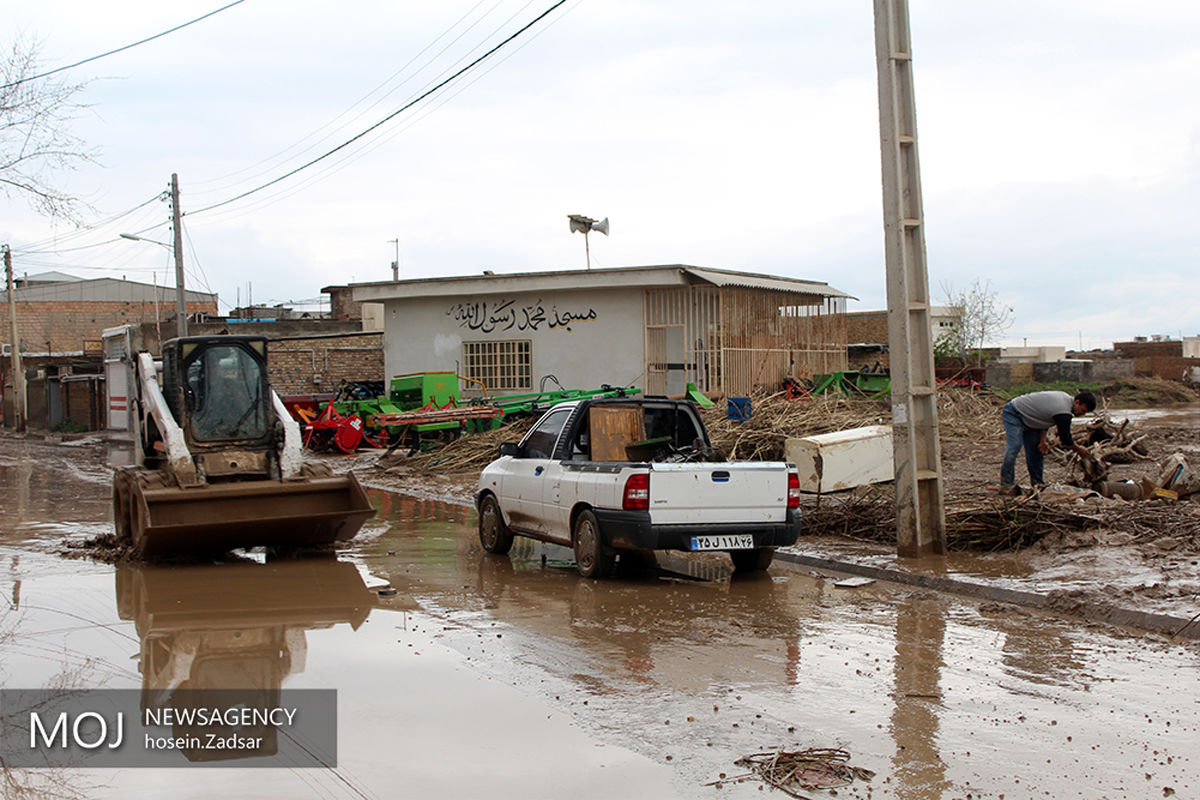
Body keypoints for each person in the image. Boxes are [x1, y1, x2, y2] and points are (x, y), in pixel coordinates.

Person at [1000, 389, 1097, 488]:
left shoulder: (1065, 403)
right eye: (1083, 410)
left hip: (1031, 419)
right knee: (1014, 446)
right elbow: (1065, 439)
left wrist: (1043, 441)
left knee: (1036, 451)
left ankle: (1037, 485)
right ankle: (1006, 484)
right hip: (1015, 412)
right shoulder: (1063, 411)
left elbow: (1044, 418)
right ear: (1077, 402)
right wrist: (1079, 449)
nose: (1082, 414)